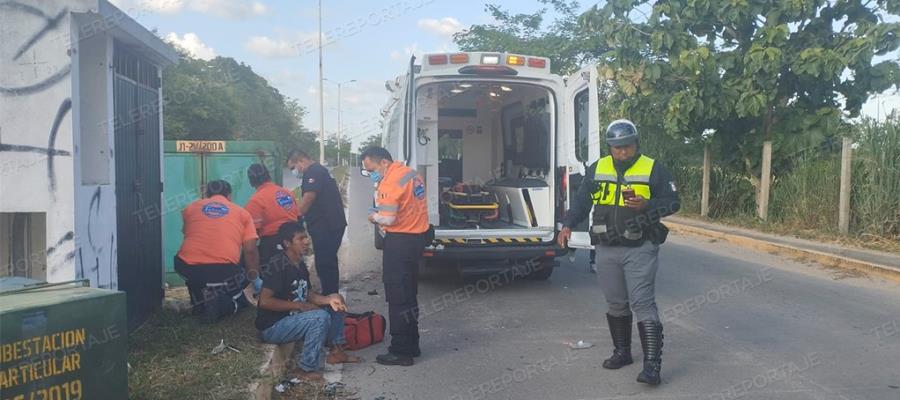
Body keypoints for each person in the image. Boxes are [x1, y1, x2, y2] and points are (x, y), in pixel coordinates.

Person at [557, 119, 680, 385]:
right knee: (616, 303)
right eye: (617, 148)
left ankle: (652, 367)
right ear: (609, 147)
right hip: (606, 247)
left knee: (643, 303)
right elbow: (581, 200)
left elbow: (672, 203)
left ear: (636, 144)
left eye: (627, 146)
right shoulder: (597, 167)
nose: (622, 152)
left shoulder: (653, 168)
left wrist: (647, 205)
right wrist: (567, 224)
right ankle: (622, 352)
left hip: (641, 247)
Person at [256, 222, 360, 382]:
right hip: (274, 326)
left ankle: (336, 351)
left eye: (306, 237)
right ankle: (304, 369)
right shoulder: (278, 265)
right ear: (287, 243)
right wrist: (299, 305)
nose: (306, 241)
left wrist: (328, 299)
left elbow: (307, 293)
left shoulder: (299, 263)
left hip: (293, 318)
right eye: (301, 238)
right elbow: (264, 301)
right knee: (319, 317)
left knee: (336, 302)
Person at [360, 146, 430, 366]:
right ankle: (412, 344)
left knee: (398, 297)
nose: (371, 174)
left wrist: (373, 216)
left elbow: (388, 219)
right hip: (417, 238)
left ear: (383, 162)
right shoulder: (411, 173)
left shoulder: (390, 181)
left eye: (370, 168)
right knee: (409, 294)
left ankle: (401, 351)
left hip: (399, 242)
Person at [174, 180, 259, 321]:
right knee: (240, 300)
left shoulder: (190, 208)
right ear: (229, 196)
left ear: (207, 194)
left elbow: (188, 233)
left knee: (195, 274)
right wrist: (254, 278)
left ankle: (199, 302)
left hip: (188, 267)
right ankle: (220, 304)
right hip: (222, 270)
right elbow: (250, 250)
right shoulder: (242, 213)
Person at [286, 150, 347, 295]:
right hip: (331, 223)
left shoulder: (313, 172)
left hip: (326, 225)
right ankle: (330, 293)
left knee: (325, 262)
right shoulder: (319, 170)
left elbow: (308, 198)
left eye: (292, 168)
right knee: (328, 260)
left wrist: (296, 218)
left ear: (300, 161)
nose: (294, 172)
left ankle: (330, 296)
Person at [245, 163, 300, 272]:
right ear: (269, 176)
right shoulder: (287, 193)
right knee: (295, 276)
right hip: (294, 242)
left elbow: (251, 238)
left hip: (272, 246)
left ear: (251, 182)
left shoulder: (255, 201)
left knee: (273, 281)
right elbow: (298, 217)